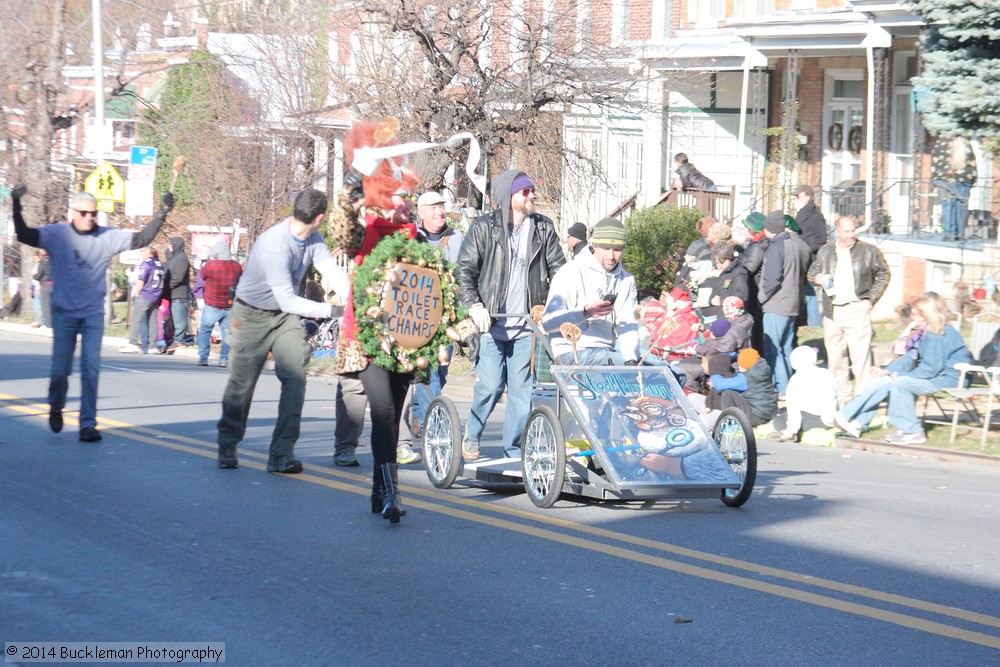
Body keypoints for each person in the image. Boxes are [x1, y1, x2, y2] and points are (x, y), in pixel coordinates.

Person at [11, 186, 174, 442]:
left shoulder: (106, 236)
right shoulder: (57, 234)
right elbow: (24, 234)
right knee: (60, 371)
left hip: (92, 315)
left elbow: (141, 239)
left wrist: (162, 213)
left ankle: (88, 424)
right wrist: (15, 204)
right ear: (72, 213)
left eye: (93, 213)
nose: (89, 217)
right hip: (64, 314)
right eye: (84, 213)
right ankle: (56, 405)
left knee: (91, 369)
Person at [216, 188, 345, 474]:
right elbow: (288, 298)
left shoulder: (314, 238)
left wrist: (353, 300)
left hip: (284, 316)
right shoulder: (274, 244)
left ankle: (281, 454)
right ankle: (227, 444)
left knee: (296, 377)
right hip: (250, 315)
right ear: (320, 217)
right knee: (242, 384)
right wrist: (335, 311)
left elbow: (332, 272)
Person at [455, 169, 566, 460]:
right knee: (491, 385)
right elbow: (464, 270)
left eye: (531, 191)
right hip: (491, 321)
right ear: (509, 197)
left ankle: (514, 451)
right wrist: (473, 305)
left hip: (527, 323)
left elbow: (559, 270)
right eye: (525, 192)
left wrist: (552, 306)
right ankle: (472, 434)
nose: (532, 196)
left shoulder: (543, 228)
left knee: (522, 392)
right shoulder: (483, 228)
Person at [833, 292, 971, 445]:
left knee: (901, 383)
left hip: (950, 379)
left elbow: (930, 369)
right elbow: (910, 356)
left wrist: (899, 375)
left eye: (914, 313)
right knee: (881, 379)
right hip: (937, 376)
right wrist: (888, 370)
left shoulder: (938, 335)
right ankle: (857, 423)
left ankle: (913, 431)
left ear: (926, 315)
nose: (911, 316)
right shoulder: (926, 332)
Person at [397, 190, 466, 464]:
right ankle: (434, 430)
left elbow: (467, 270)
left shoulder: (458, 238)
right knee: (430, 375)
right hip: (419, 316)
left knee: (442, 372)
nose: (440, 212)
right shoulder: (411, 237)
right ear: (421, 212)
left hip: (448, 315)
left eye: (442, 207)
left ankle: (419, 412)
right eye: (434, 208)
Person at [807, 216, 890, 402]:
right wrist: (816, 278)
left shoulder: (869, 251)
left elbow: (884, 273)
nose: (852, 235)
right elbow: (812, 272)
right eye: (847, 231)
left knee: (860, 357)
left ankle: (861, 399)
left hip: (857, 308)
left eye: (854, 230)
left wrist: (871, 298)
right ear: (837, 232)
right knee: (836, 358)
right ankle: (842, 398)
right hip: (832, 311)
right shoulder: (825, 251)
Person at [542, 217, 639, 366]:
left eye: (617, 249)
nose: (612, 256)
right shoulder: (571, 271)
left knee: (672, 373)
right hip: (572, 352)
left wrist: (631, 359)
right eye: (606, 248)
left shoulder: (627, 280)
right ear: (595, 246)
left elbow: (628, 324)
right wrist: (585, 313)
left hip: (606, 352)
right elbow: (548, 322)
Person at [758, 210, 810, 394]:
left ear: (769, 229)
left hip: (777, 306)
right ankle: (792, 387)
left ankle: (781, 389)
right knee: (787, 349)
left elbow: (771, 280)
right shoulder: (794, 244)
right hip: (792, 305)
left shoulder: (775, 248)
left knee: (774, 349)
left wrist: (761, 298)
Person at [193, 240, 242, 368]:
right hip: (229, 305)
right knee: (226, 333)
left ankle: (203, 357)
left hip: (212, 304)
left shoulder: (210, 266)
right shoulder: (236, 266)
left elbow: (201, 278)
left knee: (205, 330)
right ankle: (224, 359)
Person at [776, 345, 839, 441]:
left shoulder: (796, 380)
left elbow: (794, 408)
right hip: (831, 419)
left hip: (814, 420)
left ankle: (787, 433)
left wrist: (792, 429)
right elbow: (838, 395)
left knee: (778, 417)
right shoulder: (826, 373)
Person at [793, 185, 828, 328]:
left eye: (798, 196)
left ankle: (814, 322)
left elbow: (821, 239)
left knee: (809, 289)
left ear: (807, 197)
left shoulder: (815, 215)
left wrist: (805, 248)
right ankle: (809, 320)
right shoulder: (802, 212)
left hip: (809, 258)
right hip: (801, 256)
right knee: (805, 289)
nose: (795, 199)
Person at [119, 246, 164, 354]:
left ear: (149, 252)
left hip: (146, 294)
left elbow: (141, 280)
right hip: (156, 294)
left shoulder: (146, 263)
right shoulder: (159, 264)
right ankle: (152, 346)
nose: (141, 253)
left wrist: (136, 293)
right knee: (153, 320)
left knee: (136, 319)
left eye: (142, 251)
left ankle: (133, 343)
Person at [931, 136, 977, 241]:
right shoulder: (966, 144)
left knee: (948, 206)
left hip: (945, 180)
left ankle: (949, 234)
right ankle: (960, 234)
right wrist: (973, 180)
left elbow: (934, 165)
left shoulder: (940, 143)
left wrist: (935, 179)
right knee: (961, 207)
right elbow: (973, 165)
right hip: (964, 180)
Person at [717, 348, 778, 426]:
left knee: (727, 393)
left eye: (740, 365)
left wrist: (714, 374)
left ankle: (729, 425)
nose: (738, 367)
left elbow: (720, 385)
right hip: (770, 412)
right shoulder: (762, 370)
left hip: (757, 417)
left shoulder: (745, 378)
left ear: (744, 366)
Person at [163, 236, 194, 346]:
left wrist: (168, 285)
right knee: (176, 318)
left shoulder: (181, 259)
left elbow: (178, 277)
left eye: (171, 244)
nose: (170, 246)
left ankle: (178, 340)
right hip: (174, 294)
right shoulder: (176, 258)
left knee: (179, 319)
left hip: (179, 295)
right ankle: (177, 339)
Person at [31, 248, 52, 328]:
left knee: (45, 305)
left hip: (45, 284)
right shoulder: (53, 261)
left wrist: (34, 276)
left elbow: (39, 275)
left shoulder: (43, 262)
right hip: (54, 284)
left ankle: (46, 324)